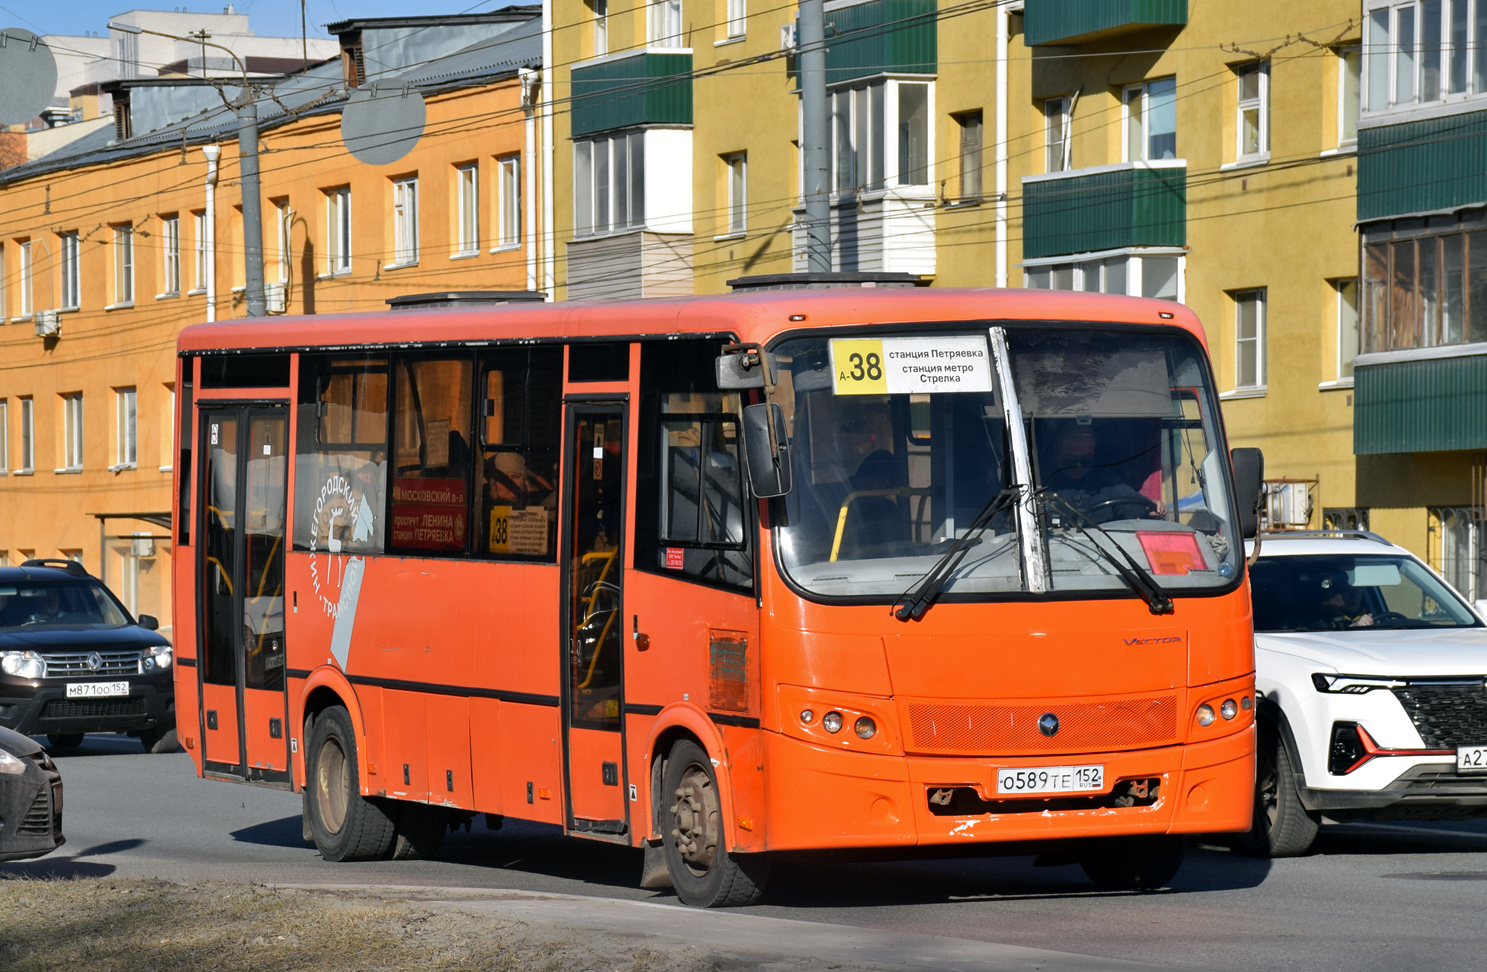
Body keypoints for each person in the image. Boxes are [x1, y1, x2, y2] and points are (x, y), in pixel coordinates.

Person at [1042, 424, 1154, 522]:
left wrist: (1150, 508)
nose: (1078, 465)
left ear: (1093, 455)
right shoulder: (1043, 482)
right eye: (1071, 460)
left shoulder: (1106, 481)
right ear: (1057, 455)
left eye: (1086, 460)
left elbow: (1132, 504)